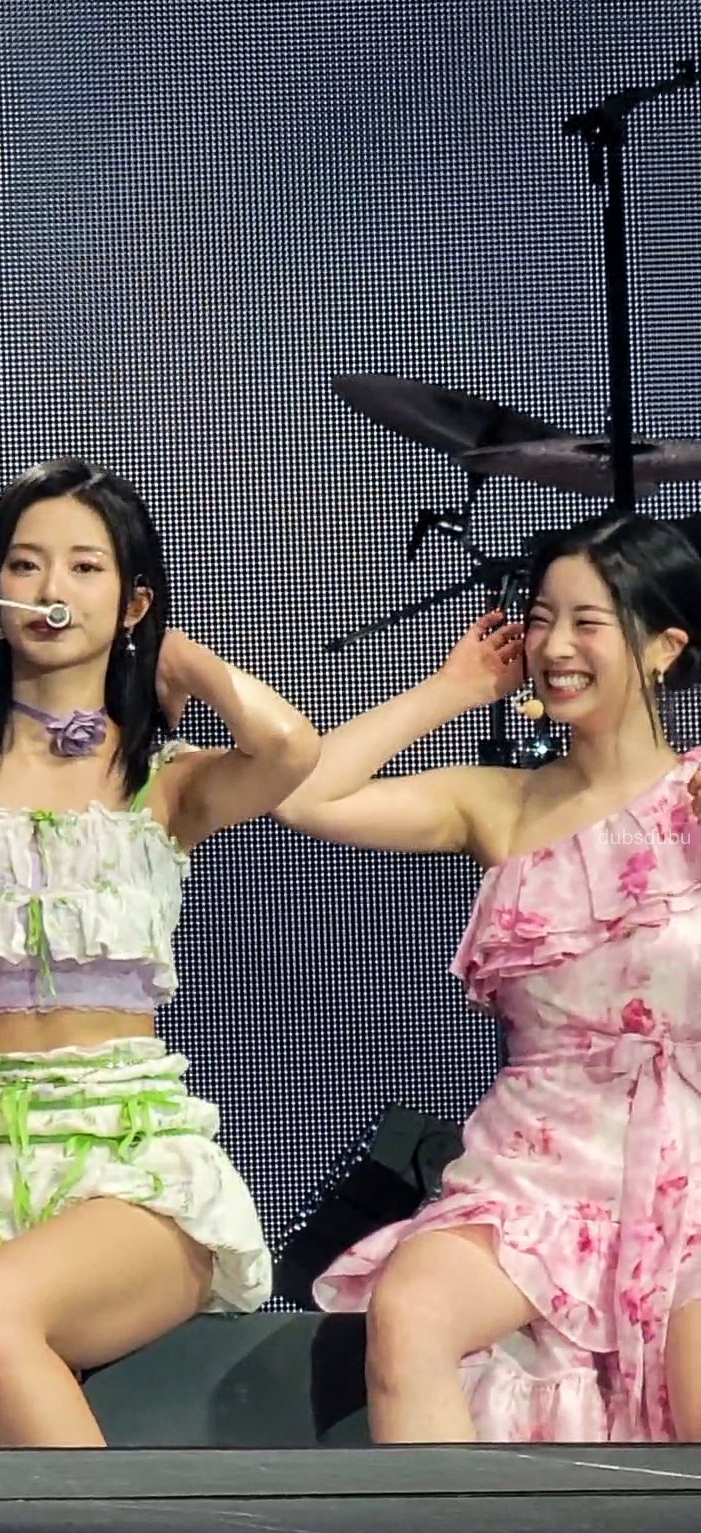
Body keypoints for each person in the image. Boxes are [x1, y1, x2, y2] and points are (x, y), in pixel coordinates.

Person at [0, 458, 320, 1448]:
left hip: (128, 1160)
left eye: (85, 568)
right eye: (26, 564)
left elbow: (290, 750)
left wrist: (183, 659)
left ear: (132, 601)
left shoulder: (163, 782)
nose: (50, 589)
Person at [274, 513, 701, 1443]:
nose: (555, 647)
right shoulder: (497, 803)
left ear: (664, 648)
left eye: (588, 622)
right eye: (541, 619)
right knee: (413, 1308)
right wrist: (453, 688)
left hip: (691, 1164)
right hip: (535, 1170)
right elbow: (300, 795)